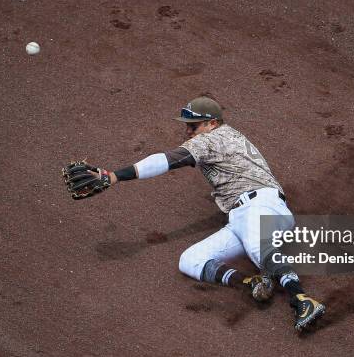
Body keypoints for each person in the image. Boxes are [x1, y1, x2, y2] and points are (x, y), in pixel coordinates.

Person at [77, 96, 325, 331]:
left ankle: (302, 299)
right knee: (191, 260)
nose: (188, 131)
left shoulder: (214, 138)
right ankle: (252, 283)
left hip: (259, 207)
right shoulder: (223, 137)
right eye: (187, 126)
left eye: (193, 126)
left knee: (258, 248)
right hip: (247, 214)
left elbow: (168, 160)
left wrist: (114, 176)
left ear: (212, 123)